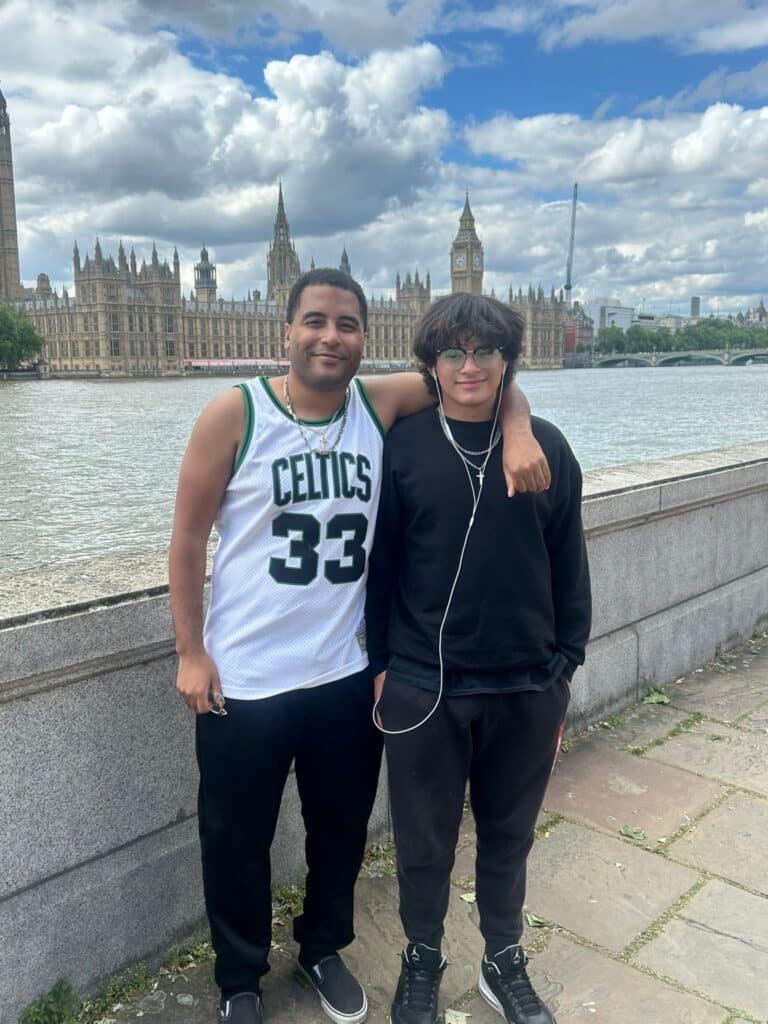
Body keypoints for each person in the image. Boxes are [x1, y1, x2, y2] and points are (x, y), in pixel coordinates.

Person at [168, 268, 550, 1024]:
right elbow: (185, 539)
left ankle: (321, 948)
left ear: (365, 339)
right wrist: (190, 650)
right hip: (244, 679)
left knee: (339, 835)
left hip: (345, 675)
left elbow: (480, 375)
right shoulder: (234, 411)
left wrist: (517, 430)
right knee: (234, 839)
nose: (330, 337)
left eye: (346, 325)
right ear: (286, 331)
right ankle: (240, 978)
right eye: (315, 321)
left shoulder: (379, 403)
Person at [366, 292, 591, 1024]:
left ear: (506, 360)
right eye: (453, 352)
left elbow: (569, 561)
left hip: (527, 685)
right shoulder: (403, 447)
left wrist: (564, 665)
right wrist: (383, 669)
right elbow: (381, 567)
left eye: (485, 351)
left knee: (509, 836)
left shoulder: (546, 446)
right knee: (423, 843)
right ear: (430, 364)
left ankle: (502, 960)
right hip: (424, 685)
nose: (470, 365)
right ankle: (422, 958)